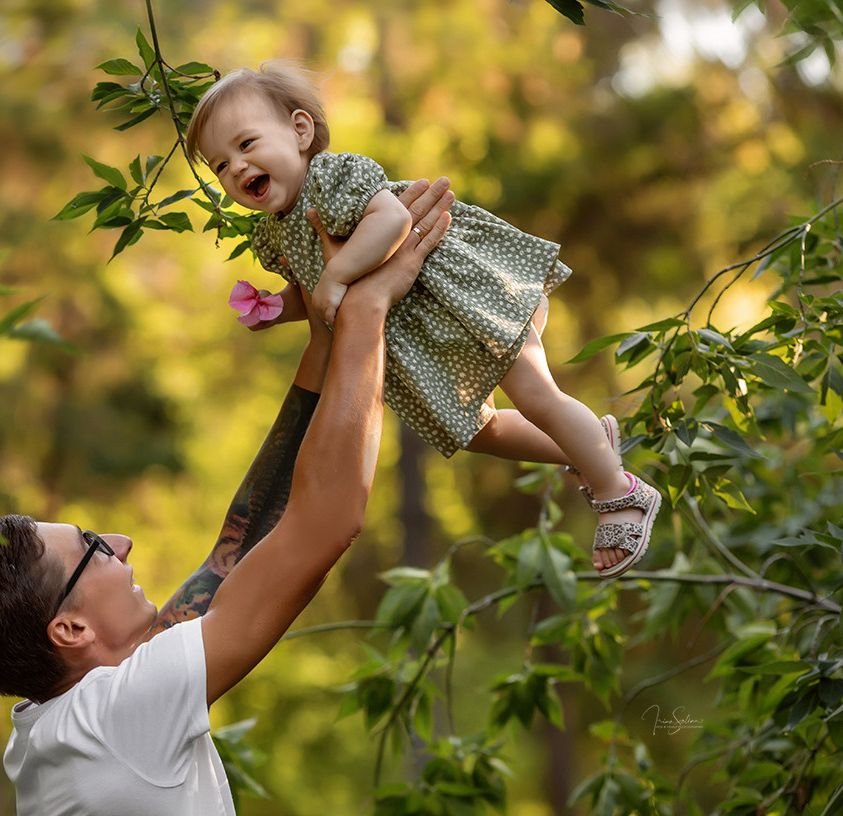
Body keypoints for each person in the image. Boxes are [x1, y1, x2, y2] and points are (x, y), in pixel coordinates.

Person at [0, 179, 457, 816]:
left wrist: (324, 340)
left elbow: (232, 553)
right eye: (95, 548)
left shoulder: (62, 716)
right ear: (70, 629)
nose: (122, 542)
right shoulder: (117, 719)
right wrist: (370, 305)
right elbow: (329, 520)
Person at [185, 62, 660, 579]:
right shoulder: (276, 232)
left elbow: (391, 220)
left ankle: (620, 489)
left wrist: (336, 274)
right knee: (481, 430)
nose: (235, 167)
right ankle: (591, 446)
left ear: (300, 131)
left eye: (247, 144)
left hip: (464, 300)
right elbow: (315, 291)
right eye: (220, 165)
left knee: (536, 396)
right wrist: (279, 308)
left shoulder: (331, 176)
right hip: (427, 338)